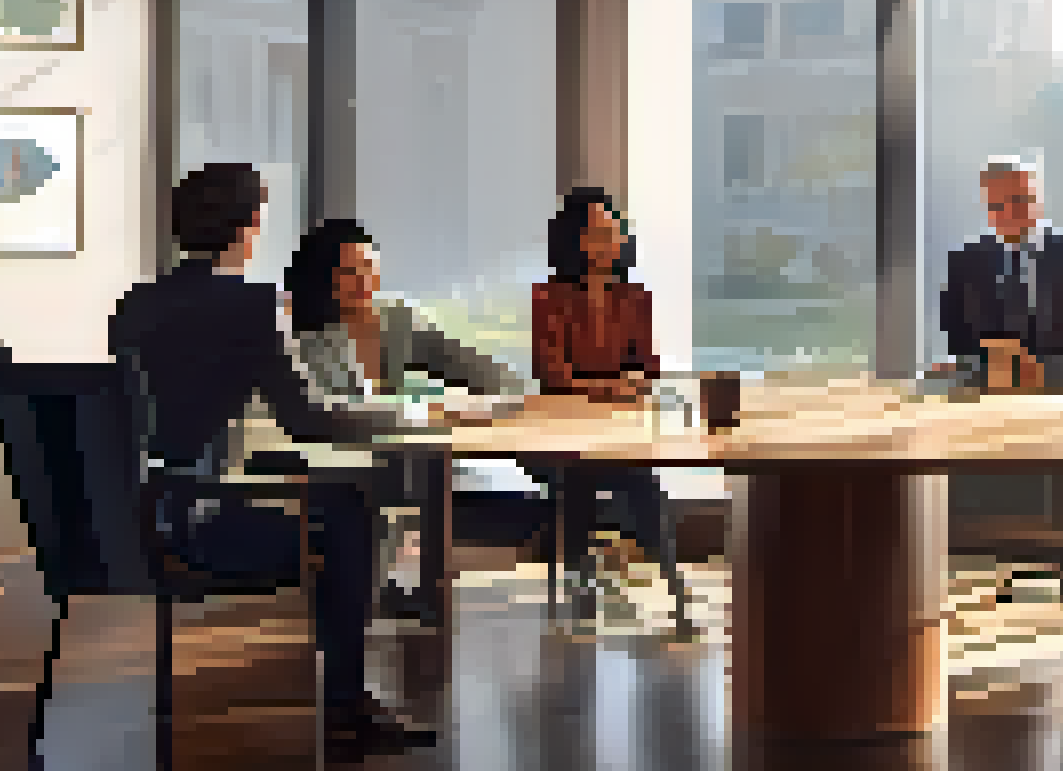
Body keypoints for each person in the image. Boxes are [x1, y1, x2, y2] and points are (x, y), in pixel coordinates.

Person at [108, 164, 444, 760]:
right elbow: (308, 420)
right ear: (250, 226)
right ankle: (345, 705)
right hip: (203, 527)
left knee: (334, 507)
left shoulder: (135, 305)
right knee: (348, 511)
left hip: (133, 521)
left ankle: (341, 699)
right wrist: (404, 417)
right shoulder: (256, 306)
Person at [285, 217, 507, 626]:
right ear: (324, 280)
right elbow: (330, 414)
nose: (364, 281)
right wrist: (421, 406)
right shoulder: (302, 333)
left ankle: (413, 596)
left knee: (428, 466)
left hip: (395, 454)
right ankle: (370, 599)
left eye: (370, 268)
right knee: (400, 474)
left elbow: (486, 373)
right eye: (350, 272)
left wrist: (481, 398)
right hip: (327, 461)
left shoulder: (397, 318)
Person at [938, 156, 1063, 635]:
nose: (1011, 212)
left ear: (1038, 197)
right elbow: (959, 341)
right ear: (987, 205)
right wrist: (972, 365)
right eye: (999, 204)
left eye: (1020, 200)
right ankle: (933, 584)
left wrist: (1041, 371)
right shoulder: (967, 262)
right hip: (992, 397)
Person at [526, 186, 690, 629]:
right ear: (574, 241)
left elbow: (648, 367)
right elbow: (553, 374)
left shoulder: (634, 297)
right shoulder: (549, 297)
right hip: (565, 433)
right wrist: (612, 387)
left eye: (613, 231)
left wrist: (626, 385)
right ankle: (579, 598)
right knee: (577, 480)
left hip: (620, 431)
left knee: (645, 487)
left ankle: (674, 591)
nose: (608, 240)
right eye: (597, 232)